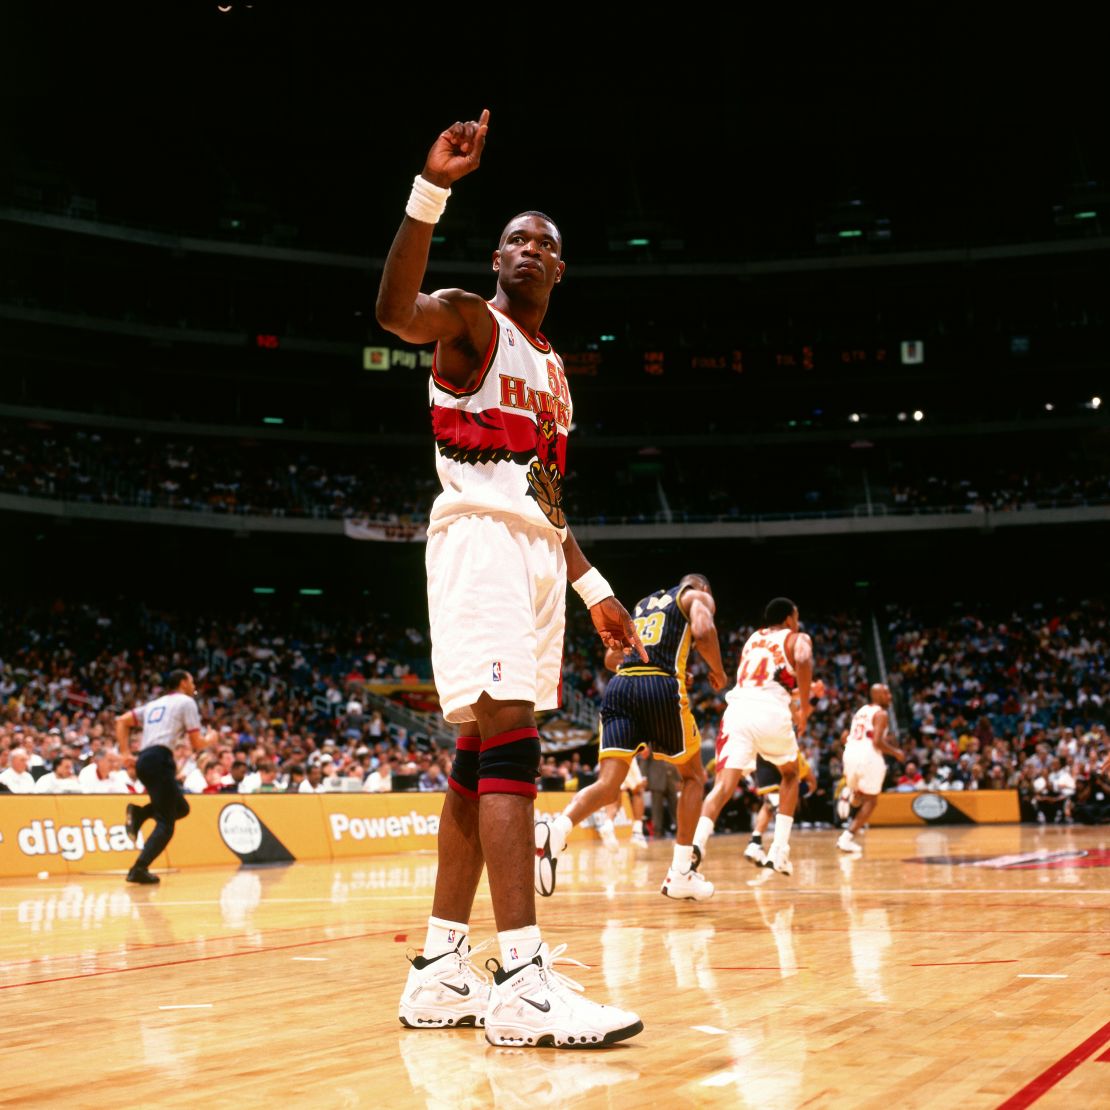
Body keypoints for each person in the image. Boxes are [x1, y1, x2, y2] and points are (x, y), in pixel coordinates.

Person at [377, 109, 645, 1048]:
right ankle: (524, 979)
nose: (527, 248)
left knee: (471, 762)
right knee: (512, 744)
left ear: (561, 269)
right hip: (479, 545)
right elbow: (391, 313)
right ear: (496, 260)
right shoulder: (467, 321)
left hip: (535, 553)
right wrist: (432, 188)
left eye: (544, 242)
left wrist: (594, 588)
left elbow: (546, 493)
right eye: (514, 238)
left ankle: (441, 967)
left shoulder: (557, 372)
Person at [535, 575, 726, 902]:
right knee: (694, 776)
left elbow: (612, 660)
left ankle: (557, 830)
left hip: (620, 688)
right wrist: (718, 672)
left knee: (609, 785)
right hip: (660, 687)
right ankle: (681, 873)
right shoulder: (696, 596)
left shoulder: (642, 606)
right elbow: (705, 631)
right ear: (701, 588)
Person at [694, 597, 814, 877]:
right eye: (795, 617)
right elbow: (804, 658)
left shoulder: (752, 639)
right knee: (791, 774)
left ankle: (696, 845)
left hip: (737, 710)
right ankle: (780, 851)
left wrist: (796, 691)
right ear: (788, 619)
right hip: (771, 711)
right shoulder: (797, 637)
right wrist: (805, 706)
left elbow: (770, 678)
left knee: (723, 786)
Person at [115, 670, 204, 884]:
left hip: (145, 760)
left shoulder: (155, 704)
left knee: (181, 808)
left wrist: (126, 752)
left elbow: (122, 721)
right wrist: (212, 739)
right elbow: (198, 744)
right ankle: (139, 868)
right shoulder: (186, 702)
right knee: (167, 822)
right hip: (160, 758)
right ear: (183, 683)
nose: (194, 685)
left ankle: (140, 813)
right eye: (192, 681)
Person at [837, 684, 904, 854]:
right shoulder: (881, 713)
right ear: (877, 695)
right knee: (871, 800)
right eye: (886, 693)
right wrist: (896, 753)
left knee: (861, 794)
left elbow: (844, 736)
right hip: (868, 755)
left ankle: (851, 793)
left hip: (850, 751)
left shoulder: (861, 711)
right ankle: (847, 838)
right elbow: (877, 742)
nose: (889, 696)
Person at [744, 751, 818, 865]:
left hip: (761, 757)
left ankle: (755, 842)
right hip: (781, 748)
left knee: (769, 803)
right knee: (810, 783)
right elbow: (811, 782)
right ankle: (778, 853)